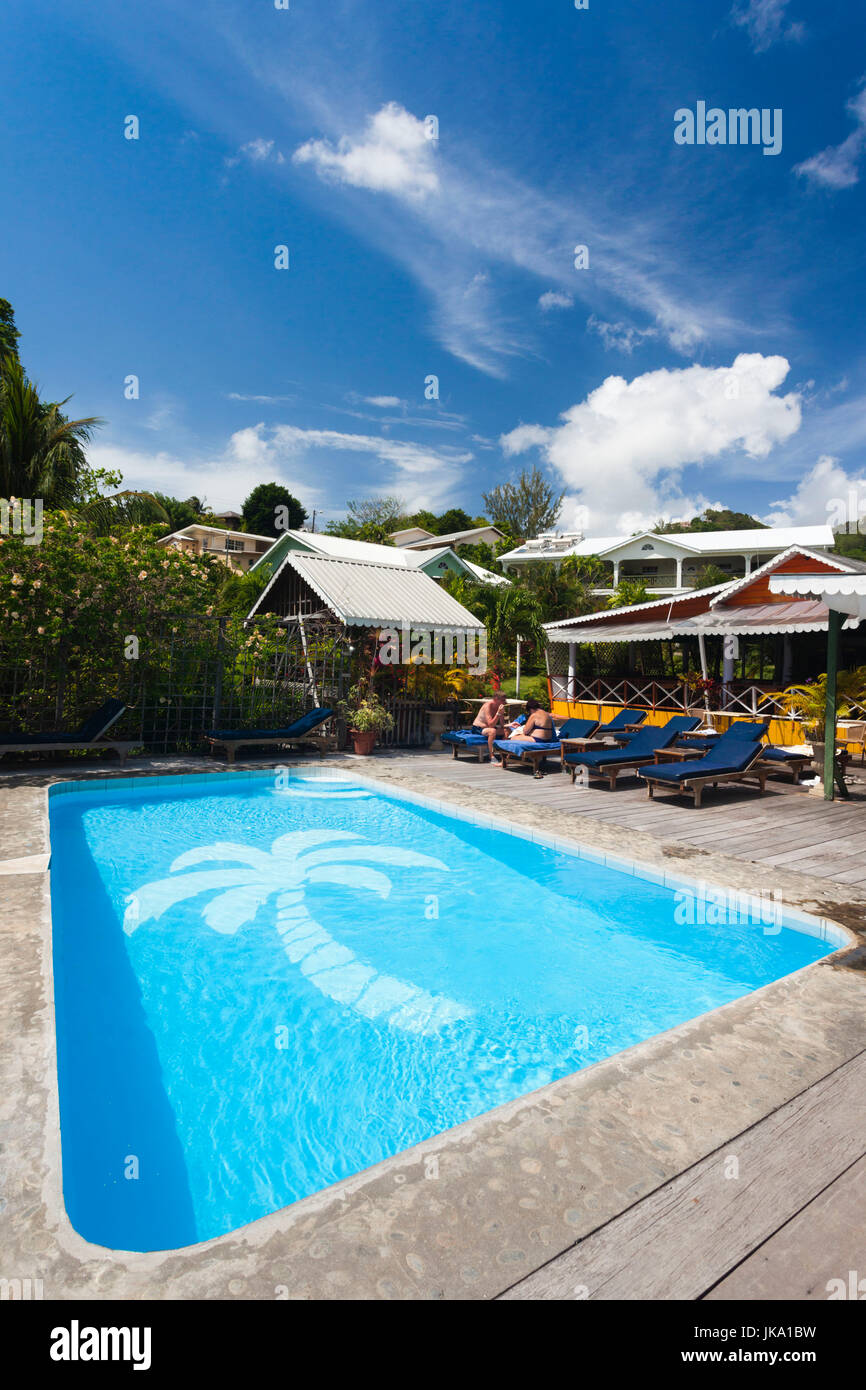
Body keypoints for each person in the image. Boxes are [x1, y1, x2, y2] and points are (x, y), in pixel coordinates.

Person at [472, 692, 508, 759]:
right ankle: (491, 755)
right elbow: (491, 725)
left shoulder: (500, 706)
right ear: (496, 699)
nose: (505, 702)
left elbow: (502, 724)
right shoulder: (487, 706)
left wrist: (511, 725)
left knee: (506, 731)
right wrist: (498, 713)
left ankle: (503, 753)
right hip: (478, 728)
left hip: (489, 728)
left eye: (505, 700)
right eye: (503, 700)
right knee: (492, 731)